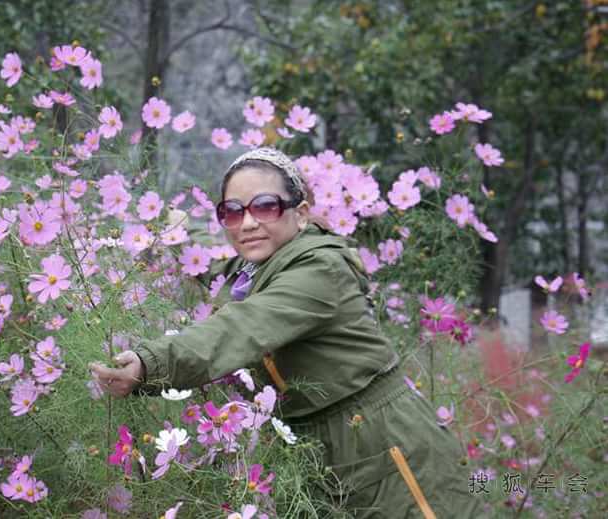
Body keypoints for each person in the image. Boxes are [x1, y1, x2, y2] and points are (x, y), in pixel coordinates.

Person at [91, 148, 480, 518]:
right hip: (318, 447)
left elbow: (239, 328)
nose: (247, 223)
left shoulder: (320, 270)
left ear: (302, 212)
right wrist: (179, 242)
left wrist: (149, 363)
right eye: (232, 211)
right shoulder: (256, 271)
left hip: (384, 443)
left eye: (265, 206)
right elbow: (217, 276)